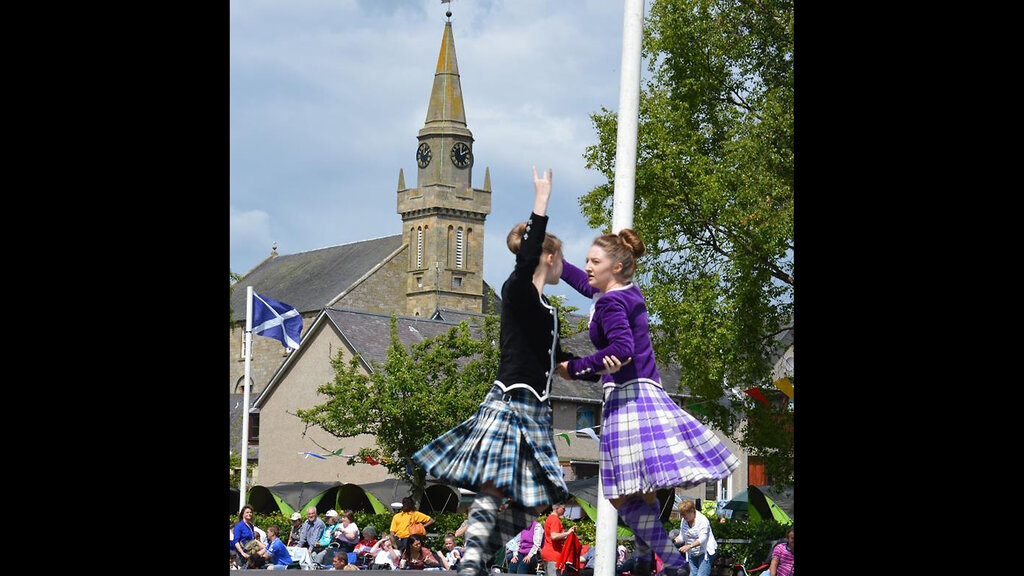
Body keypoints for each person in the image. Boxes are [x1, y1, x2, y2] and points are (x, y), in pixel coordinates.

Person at [413, 168, 626, 576]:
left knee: (539, 498)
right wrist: (541, 200)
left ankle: (478, 553)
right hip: (512, 400)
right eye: (561, 257)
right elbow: (527, 255)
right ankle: (473, 560)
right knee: (493, 484)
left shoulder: (546, 310)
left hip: (538, 409)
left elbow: (560, 365)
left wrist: (599, 368)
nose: (567, 266)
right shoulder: (517, 290)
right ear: (548, 257)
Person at [556, 229, 741, 571]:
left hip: (627, 400)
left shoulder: (611, 301)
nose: (588, 267)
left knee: (618, 493)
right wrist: (559, 263)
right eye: (587, 261)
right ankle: (645, 558)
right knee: (643, 491)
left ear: (618, 265)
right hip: (644, 393)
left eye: (594, 261)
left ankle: (669, 561)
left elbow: (622, 349)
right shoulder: (626, 292)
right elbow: (587, 285)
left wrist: (575, 368)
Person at [674, 500, 717, 576]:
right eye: (682, 515)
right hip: (692, 553)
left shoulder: (702, 520)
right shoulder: (684, 520)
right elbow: (682, 536)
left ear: (692, 511)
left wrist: (689, 546)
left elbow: (703, 539)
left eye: (685, 514)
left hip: (705, 552)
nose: (683, 517)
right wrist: (674, 540)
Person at [540, 502, 575, 576]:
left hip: (548, 553)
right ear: (556, 508)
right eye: (563, 508)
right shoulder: (555, 520)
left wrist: (566, 533)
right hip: (553, 554)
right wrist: (567, 533)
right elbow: (554, 536)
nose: (565, 510)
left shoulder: (550, 518)